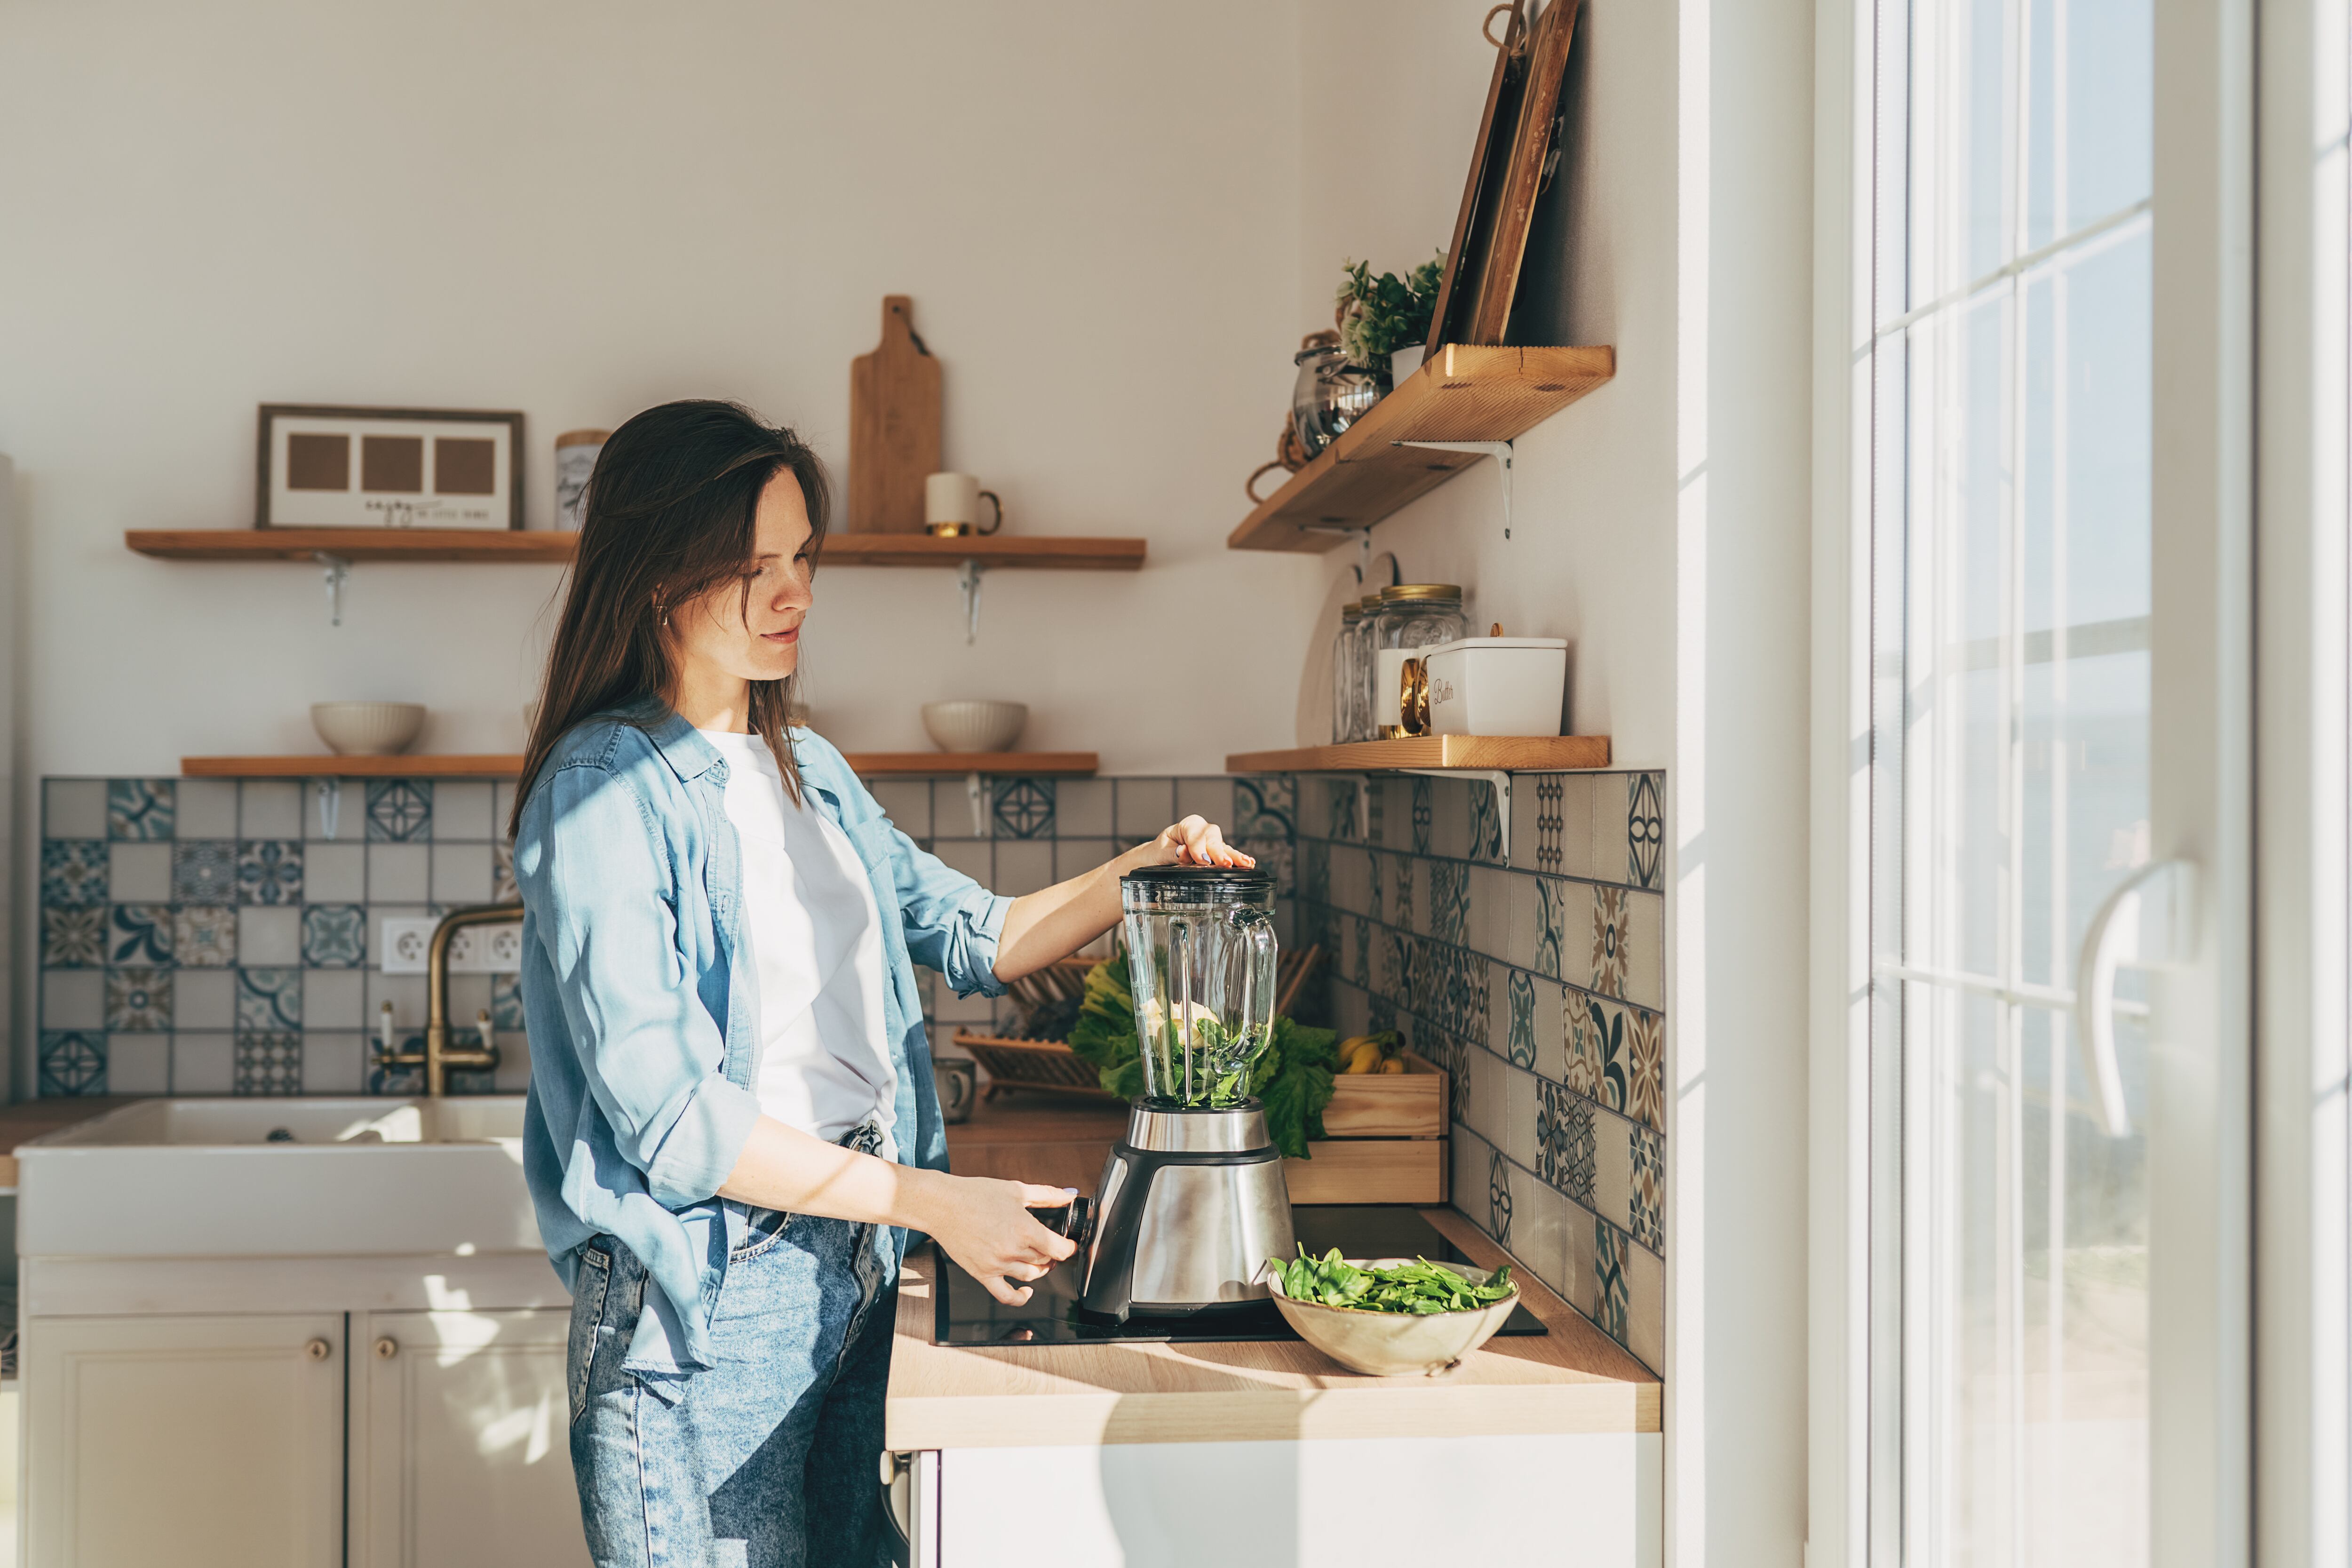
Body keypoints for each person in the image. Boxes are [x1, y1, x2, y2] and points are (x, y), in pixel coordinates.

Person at [511, 399, 1252, 1567]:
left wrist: (1144, 868)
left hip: (841, 1267)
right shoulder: (606, 786)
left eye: (803, 556)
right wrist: (928, 1200)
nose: (796, 591)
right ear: (657, 573)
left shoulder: (801, 761)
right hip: (710, 1299)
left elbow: (973, 931)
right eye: (752, 566)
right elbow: (673, 1120)